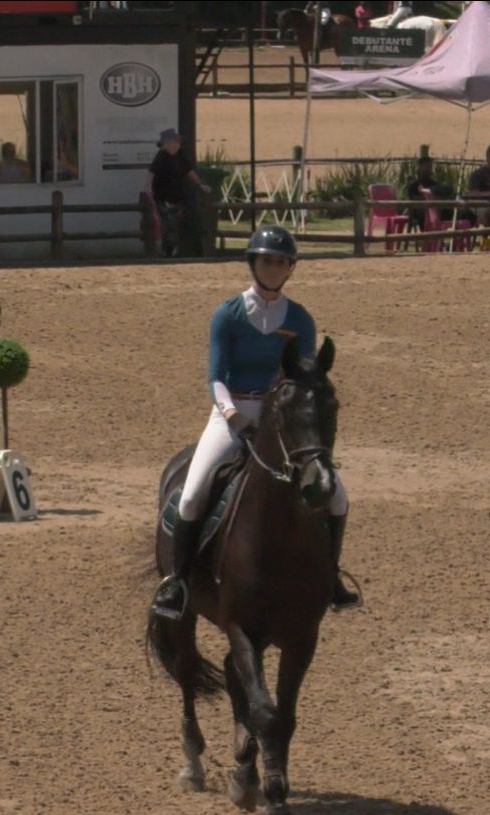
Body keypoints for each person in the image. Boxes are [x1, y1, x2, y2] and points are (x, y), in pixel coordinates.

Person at [151, 223, 358, 619]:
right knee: (192, 496)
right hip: (231, 414)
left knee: (337, 497)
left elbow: (302, 377)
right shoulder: (227, 314)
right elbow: (215, 376)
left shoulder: (300, 319)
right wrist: (233, 416)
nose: (273, 268)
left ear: (290, 268)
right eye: (267, 261)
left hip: (281, 418)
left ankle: (331, 578)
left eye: (281, 262)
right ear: (253, 263)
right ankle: (177, 582)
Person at [147, 128, 210, 257]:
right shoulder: (161, 156)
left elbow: (189, 170)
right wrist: (148, 189)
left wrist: (200, 184)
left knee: (174, 224)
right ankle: (167, 250)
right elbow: (151, 173)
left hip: (177, 197)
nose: (178, 142)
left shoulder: (180, 154)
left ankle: (171, 250)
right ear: (168, 143)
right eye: (176, 140)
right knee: (167, 224)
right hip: (163, 197)